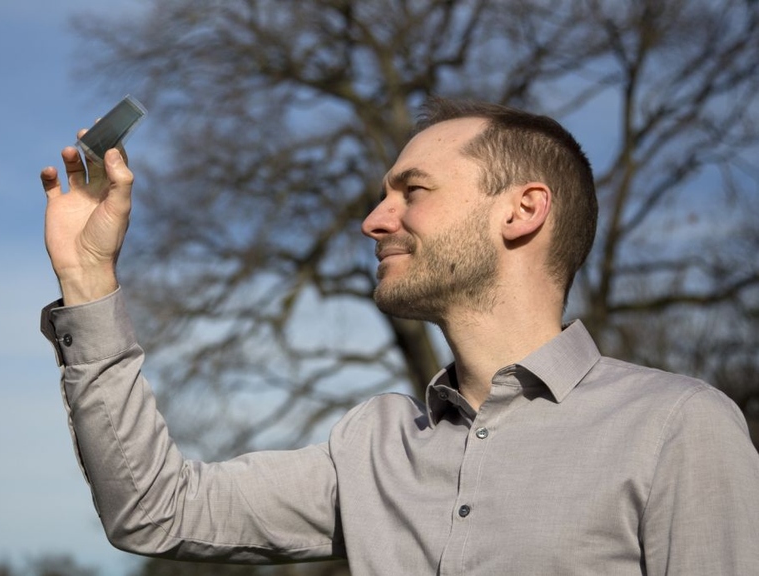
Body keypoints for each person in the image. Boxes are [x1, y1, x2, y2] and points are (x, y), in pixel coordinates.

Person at [37, 98, 759, 575]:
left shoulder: (677, 429)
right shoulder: (370, 448)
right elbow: (156, 510)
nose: (374, 221)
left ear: (523, 211)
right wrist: (88, 280)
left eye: (412, 192)